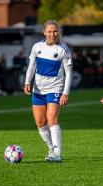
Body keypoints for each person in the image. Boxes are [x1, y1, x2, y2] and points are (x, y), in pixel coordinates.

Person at [23, 20, 73, 162]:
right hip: (38, 90)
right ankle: (51, 148)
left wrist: (65, 93)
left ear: (59, 32)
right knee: (40, 122)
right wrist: (27, 82)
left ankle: (57, 154)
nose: (52, 34)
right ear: (44, 32)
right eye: (49, 31)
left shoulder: (64, 50)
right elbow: (31, 66)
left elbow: (69, 73)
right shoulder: (36, 47)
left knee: (52, 119)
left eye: (55, 31)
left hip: (55, 89)